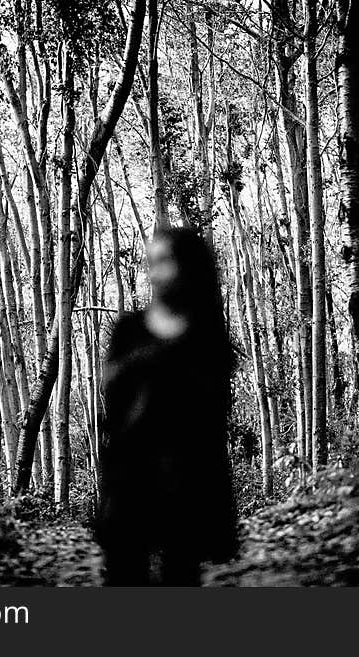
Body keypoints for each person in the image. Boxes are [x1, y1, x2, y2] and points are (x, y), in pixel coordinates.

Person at [96, 227, 238, 586]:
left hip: (187, 481)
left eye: (165, 261)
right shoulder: (128, 329)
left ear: (189, 266)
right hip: (131, 478)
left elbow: (211, 419)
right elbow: (112, 399)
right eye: (151, 263)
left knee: (181, 576)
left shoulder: (208, 335)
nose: (155, 272)